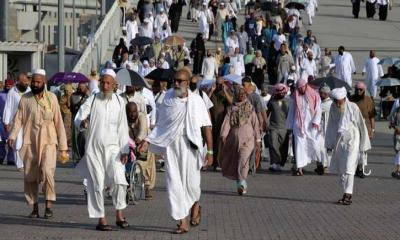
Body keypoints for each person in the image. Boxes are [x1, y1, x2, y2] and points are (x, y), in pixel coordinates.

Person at [138, 68, 213, 234]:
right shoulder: (168, 99)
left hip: (191, 147)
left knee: (192, 185)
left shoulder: (197, 101)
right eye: (175, 81)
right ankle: (182, 221)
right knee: (174, 184)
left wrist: (211, 152)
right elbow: (161, 126)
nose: (176, 84)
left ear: (188, 83)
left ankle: (195, 204)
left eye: (180, 81)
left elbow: (207, 126)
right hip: (172, 147)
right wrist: (147, 141)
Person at [7, 69, 68, 219]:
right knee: (31, 176)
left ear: (44, 83)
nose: (35, 84)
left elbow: (59, 123)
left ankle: (48, 205)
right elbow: (18, 119)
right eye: (33, 81)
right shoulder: (26, 99)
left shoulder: (52, 98)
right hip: (30, 142)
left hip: (48, 142)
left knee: (47, 172)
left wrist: (63, 147)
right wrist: (12, 136)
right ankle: (34, 208)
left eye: (38, 82)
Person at [74, 69, 130, 231]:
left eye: (108, 83)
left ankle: (120, 214)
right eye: (102, 82)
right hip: (94, 149)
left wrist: (125, 149)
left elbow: (122, 128)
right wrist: (82, 122)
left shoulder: (120, 102)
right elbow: (79, 117)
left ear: (114, 85)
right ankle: (102, 219)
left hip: (114, 149)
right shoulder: (92, 99)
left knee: (120, 180)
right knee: (96, 184)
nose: (105, 86)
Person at [325, 87, 371, 205]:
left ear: (344, 99)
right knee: (341, 168)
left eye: (339, 101)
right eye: (335, 101)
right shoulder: (333, 107)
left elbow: (361, 124)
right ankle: (346, 192)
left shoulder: (353, 107)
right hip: (340, 140)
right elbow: (331, 125)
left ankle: (348, 194)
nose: (337, 103)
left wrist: (364, 143)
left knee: (349, 167)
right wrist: (329, 143)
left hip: (353, 139)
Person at [220, 86, 261, 195]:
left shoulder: (250, 108)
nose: (241, 95)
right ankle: (240, 181)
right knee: (237, 161)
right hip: (234, 140)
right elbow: (227, 123)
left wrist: (258, 140)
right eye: (239, 94)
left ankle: (242, 182)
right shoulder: (231, 108)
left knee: (243, 159)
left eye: (243, 94)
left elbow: (255, 124)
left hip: (248, 140)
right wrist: (223, 135)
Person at [286, 79, 321, 176]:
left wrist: (316, 121)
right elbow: (291, 111)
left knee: (314, 146)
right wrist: (290, 126)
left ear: (306, 86)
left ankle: (319, 164)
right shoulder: (295, 97)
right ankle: (299, 169)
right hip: (298, 126)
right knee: (299, 147)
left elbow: (318, 109)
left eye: (302, 87)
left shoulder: (314, 95)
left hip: (311, 125)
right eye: (299, 88)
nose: (301, 90)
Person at [126, 102, 156, 199]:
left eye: (134, 112)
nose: (132, 114)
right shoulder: (124, 119)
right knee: (129, 166)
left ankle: (148, 188)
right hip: (131, 144)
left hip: (145, 143)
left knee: (146, 166)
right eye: (130, 112)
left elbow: (143, 130)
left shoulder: (141, 117)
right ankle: (130, 188)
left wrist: (139, 139)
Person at [3, 74, 31, 169]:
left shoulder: (29, 91)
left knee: (26, 142)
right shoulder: (12, 92)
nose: (26, 83)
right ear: (19, 82)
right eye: (24, 82)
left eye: (27, 82)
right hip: (15, 122)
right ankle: (20, 164)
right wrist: (6, 122)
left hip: (28, 121)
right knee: (17, 142)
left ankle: (26, 162)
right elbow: (8, 107)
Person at [349, 81, 376, 178]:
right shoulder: (350, 99)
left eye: (361, 90)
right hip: (353, 129)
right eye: (357, 89)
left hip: (365, 129)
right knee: (353, 149)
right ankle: (354, 167)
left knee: (363, 150)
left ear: (364, 90)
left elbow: (372, 117)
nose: (358, 91)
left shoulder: (369, 100)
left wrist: (372, 130)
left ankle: (361, 168)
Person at [267, 84, 290, 172]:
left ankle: (280, 163)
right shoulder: (271, 101)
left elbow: (290, 116)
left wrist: (290, 128)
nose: (281, 94)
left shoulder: (288, 102)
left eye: (282, 93)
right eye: (279, 92)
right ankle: (274, 163)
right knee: (273, 144)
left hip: (285, 128)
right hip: (273, 127)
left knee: (283, 147)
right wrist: (264, 123)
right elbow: (267, 112)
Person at [315, 85, 333, 175]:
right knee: (319, 148)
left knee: (324, 149)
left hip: (327, 130)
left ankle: (324, 166)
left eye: (321, 93)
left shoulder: (329, 103)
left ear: (325, 94)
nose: (319, 94)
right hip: (320, 130)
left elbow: (316, 110)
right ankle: (320, 165)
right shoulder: (321, 102)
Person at [389, 104, 400, 179]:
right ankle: (398, 171)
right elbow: (391, 122)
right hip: (398, 135)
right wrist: (396, 127)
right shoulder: (396, 111)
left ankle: (398, 171)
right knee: (398, 152)